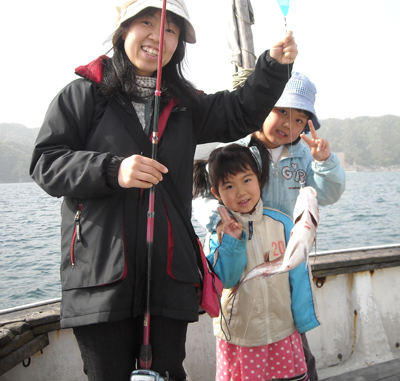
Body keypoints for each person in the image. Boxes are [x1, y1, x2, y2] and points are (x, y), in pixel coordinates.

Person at [29, 1, 298, 380]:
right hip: (99, 282)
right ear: (124, 30)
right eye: (146, 22)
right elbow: (45, 163)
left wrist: (272, 67)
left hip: (170, 279)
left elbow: (240, 111)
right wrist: (112, 169)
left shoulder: (186, 105)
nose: (159, 36)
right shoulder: (82, 95)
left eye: (171, 30)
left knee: (170, 374)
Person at [193, 72, 346, 380]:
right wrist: (221, 220)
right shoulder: (239, 150)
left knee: (293, 335)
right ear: (264, 106)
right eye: (282, 111)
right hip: (242, 252)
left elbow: (326, 194)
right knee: (248, 340)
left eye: (300, 120)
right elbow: (203, 194)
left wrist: (324, 162)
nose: (289, 125)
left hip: (286, 253)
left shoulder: (304, 155)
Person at [193, 143, 319, 381]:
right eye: (229, 186)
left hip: (284, 331)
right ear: (217, 193)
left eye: (246, 180)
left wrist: (302, 319)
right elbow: (226, 280)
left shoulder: (283, 223)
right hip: (241, 336)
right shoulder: (216, 235)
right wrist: (232, 241)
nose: (241, 192)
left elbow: (298, 276)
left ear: (259, 180)